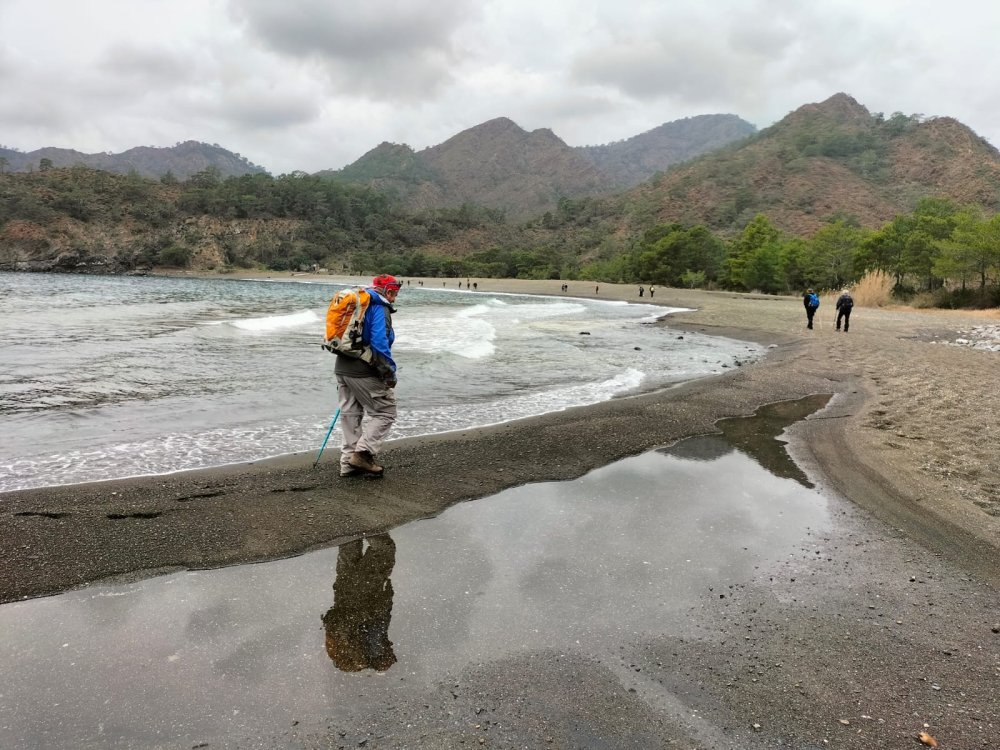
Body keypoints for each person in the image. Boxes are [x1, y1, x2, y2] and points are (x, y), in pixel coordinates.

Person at [336, 274, 400, 477]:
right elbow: (380, 342)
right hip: (363, 369)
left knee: (350, 415)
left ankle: (347, 464)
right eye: (394, 293)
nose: (395, 298)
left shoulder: (358, 304)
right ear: (388, 291)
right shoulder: (378, 307)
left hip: (342, 366)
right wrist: (389, 371)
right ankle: (362, 454)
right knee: (385, 412)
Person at [322, 535, 397, 672]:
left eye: (391, 654)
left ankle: (371, 521)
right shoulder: (356, 649)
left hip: (362, 591)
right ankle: (347, 517)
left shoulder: (376, 648)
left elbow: (378, 617)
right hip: (343, 593)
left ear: (382, 658)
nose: (392, 648)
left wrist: (387, 594)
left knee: (384, 550)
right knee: (349, 543)